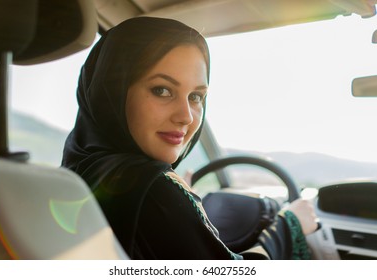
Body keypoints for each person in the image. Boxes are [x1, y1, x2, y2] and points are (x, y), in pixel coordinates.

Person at [62, 16, 318, 260]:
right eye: (162, 90)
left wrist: (184, 204)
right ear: (112, 92)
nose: (186, 116)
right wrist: (289, 224)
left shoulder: (77, 171)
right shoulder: (152, 189)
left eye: (196, 96)